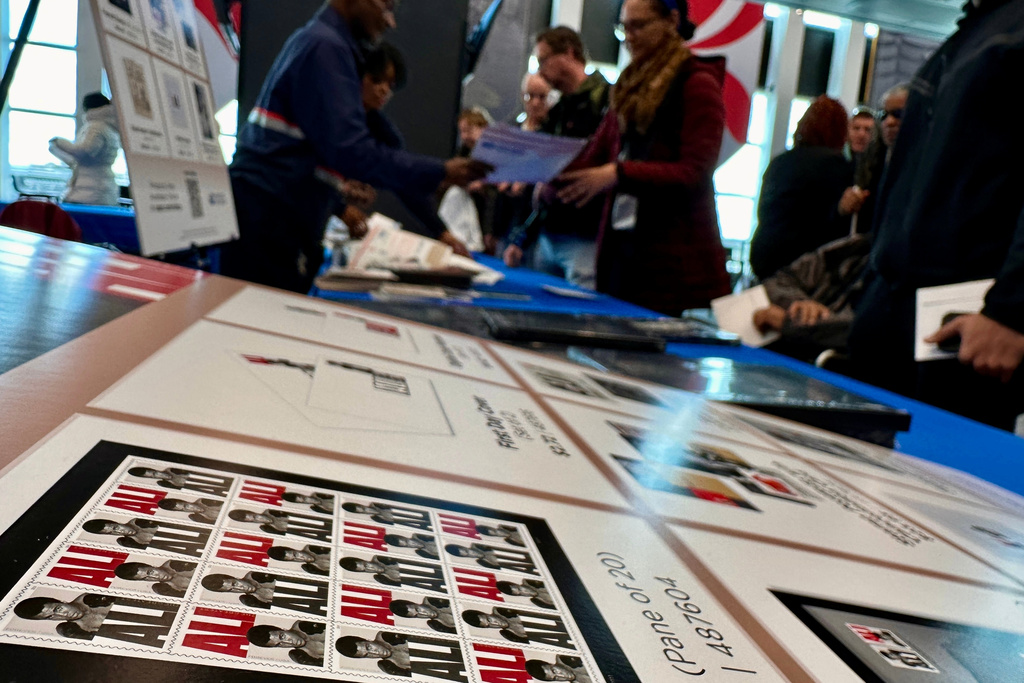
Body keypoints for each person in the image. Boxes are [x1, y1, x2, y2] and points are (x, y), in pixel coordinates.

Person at [222, 0, 490, 293]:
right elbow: (351, 151)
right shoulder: (326, 49)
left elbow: (380, 152)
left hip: (277, 214)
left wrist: (440, 228)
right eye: (386, 6)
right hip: (269, 219)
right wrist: (441, 171)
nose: (391, 22)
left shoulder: (331, 48)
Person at [849, 0, 1024, 431]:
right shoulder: (976, 30)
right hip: (895, 315)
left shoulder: (1008, 30)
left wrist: (1011, 313)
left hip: (967, 330)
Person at [554, 0, 731, 314]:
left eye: (639, 26)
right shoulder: (627, 88)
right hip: (624, 259)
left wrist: (619, 174)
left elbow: (695, 172)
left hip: (677, 270)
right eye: (624, 27)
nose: (629, 37)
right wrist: (538, 166)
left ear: (672, 20)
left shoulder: (697, 84)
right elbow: (593, 156)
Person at [503, 26, 612, 289]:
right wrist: (524, 237)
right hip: (548, 238)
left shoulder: (607, 101)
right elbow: (545, 182)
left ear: (568, 54)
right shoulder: (558, 111)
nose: (540, 71)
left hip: (586, 238)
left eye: (543, 60)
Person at [339, 43, 469, 254]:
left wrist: (441, 232)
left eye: (390, 85)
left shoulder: (384, 132)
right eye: (377, 80)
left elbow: (406, 184)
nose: (384, 90)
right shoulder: (332, 116)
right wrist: (339, 205)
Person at [749, 96, 855, 280]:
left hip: (763, 253)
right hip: (801, 261)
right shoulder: (836, 165)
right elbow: (833, 222)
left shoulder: (779, 162)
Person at [752, 232, 873, 362]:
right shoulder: (854, 247)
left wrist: (789, 323)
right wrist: (801, 304)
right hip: (783, 355)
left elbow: (866, 331)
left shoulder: (891, 267)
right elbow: (778, 280)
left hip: (838, 370)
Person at [48, 93, 122, 206]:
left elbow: (85, 152)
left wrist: (60, 142)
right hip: (102, 188)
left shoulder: (96, 126)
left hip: (89, 192)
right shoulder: (109, 127)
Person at [14, 593, 115, 639]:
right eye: (50, 617)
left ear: (62, 601)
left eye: (58, 609)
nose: (62, 615)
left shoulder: (91, 597)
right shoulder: (81, 629)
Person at [247, 620, 325, 666]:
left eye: (282, 636)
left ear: (283, 629)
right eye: (279, 644)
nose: (288, 643)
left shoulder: (304, 623)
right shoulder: (304, 655)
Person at [335, 631, 411, 676]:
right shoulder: (392, 666)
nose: (375, 653)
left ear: (367, 640)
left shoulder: (385, 634)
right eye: (367, 655)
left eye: (368, 647)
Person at [114, 560, 196, 597]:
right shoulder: (168, 588)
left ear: (151, 566)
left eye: (150, 572)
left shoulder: (175, 563)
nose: (155, 577)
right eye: (146, 578)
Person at [201, 571, 276, 608]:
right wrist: (260, 605)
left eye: (234, 584)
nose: (240, 588)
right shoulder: (255, 600)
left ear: (235, 577)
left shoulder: (255, 574)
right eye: (231, 589)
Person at [82, 518, 159, 549]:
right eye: (112, 533)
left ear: (115, 522)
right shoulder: (135, 542)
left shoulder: (138, 521)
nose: (120, 532)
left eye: (115, 528)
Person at [389, 597, 456, 633]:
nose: (424, 614)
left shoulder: (432, 599)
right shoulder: (438, 625)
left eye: (418, 609)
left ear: (416, 603)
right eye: (417, 615)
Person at [462, 608, 529, 643]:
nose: (495, 624)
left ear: (487, 613)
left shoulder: (502, 609)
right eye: (489, 625)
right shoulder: (512, 635)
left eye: (489, 620)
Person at [268, 544, 332, 576]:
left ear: (294, 549)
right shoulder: (312, 568)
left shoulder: (311, 547)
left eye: (295, 554)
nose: (300, 558)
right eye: (294, 559)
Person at [525, 655, 591, 682]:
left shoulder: (565, 656)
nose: (562, 676)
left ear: (550, 663)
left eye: (554, 671)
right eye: (555, 678)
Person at [157, 497, 222, 524]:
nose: (190, 508)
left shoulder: (203, 500)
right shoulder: (198, 518)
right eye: (184, 509)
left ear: (186, 501)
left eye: (186, 505)